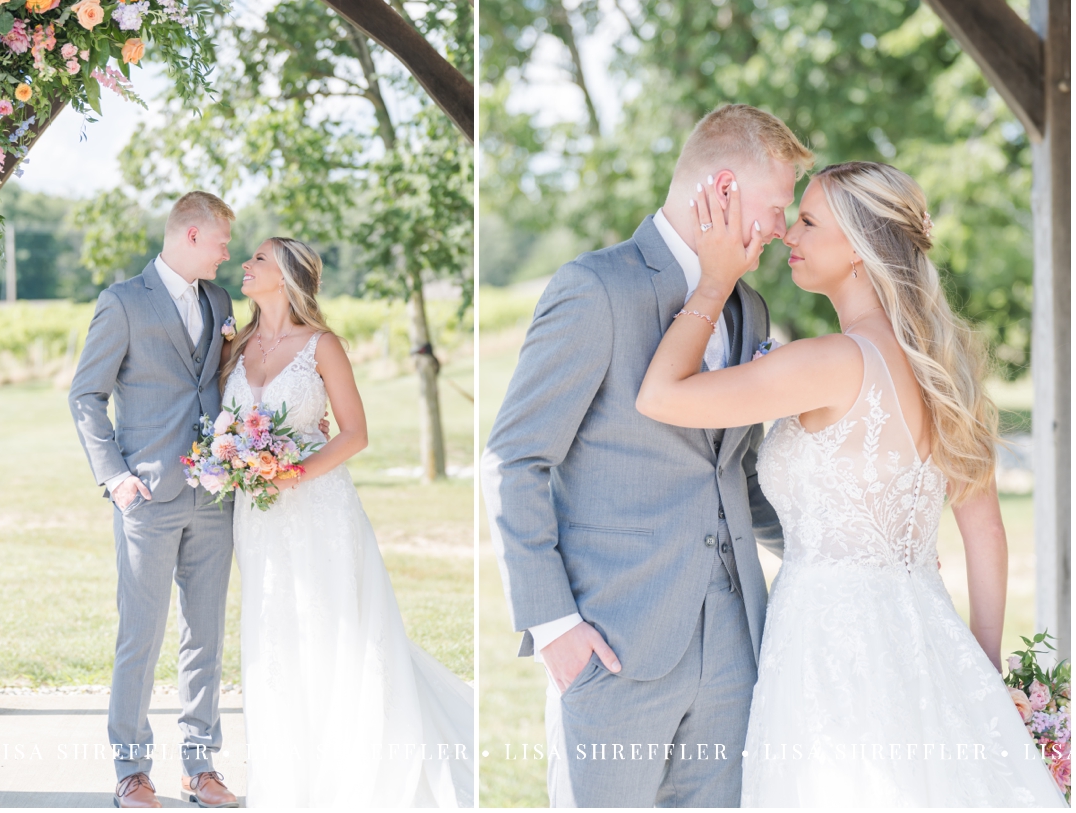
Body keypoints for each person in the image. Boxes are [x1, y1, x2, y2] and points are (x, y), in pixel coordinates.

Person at [636, 161, 1067, 807]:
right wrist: (978, 666)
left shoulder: (830, 361)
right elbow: (985, 531)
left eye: (808, 221)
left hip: (826, 647)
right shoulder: (943, 372)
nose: (789, 236)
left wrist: (716, 282)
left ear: (861, 251)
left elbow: (661, 395)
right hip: (927, 633)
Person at [481, 104, 812, 806]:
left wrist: (841, 542)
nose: (784, 229)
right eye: (778, 207)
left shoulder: (749, 308)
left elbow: (735, 474)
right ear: (721, 190)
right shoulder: (596, 288)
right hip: (612, 641)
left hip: (733, 641)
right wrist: (554, 626)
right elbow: (515, 459)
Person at [220, 236, 474, 807]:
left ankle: (355, 770)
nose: (246, 264)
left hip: (319, 509)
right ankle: (290, 774)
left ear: (284, 275)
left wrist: (296, 474)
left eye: (258, 258)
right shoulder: (233, 347)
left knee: (335, 628)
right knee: (275, 635)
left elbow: (356, 433)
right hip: (258, 517)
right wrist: (232, 460)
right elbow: (227, 426)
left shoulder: (322, 346)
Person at [69, 191, 242, 808]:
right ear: (192, 235)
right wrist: (116, 478)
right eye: (222, 240)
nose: (228, 252)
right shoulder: (121, 302)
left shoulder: (220, 301)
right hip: (146, 496)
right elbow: (85, 396)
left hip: (214, 495)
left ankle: (201, 766)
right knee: (139, 635)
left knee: (205, 635)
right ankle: (131, 771)